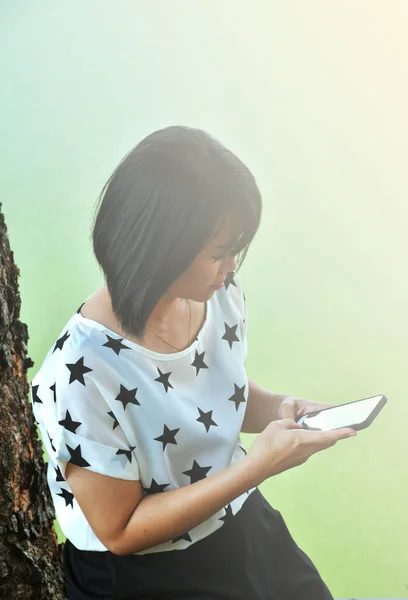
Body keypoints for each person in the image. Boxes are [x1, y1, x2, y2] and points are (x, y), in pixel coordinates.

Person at [30, 125, 356, 599]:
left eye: (236, 249)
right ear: (160, 246)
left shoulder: (217, 294)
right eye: (220, 253)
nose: (232, 268)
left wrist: (282, 409)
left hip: (241, 523)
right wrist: (254, 468)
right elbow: (120, 531)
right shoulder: (79, 373)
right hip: (151, 576)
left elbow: (214, 394)